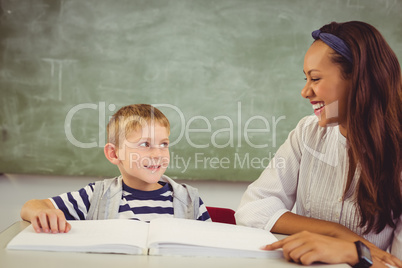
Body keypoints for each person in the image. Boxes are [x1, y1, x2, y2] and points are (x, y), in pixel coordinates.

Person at [235, 21, 401, 268]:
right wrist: (337, 233)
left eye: (315, 78)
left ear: (358, 79)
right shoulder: (306, 132)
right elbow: (253, 207)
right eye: (306, 79)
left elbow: (394, 263)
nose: (305, 92)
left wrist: (354, 254)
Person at [21, 104, 211, 233]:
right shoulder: (94, 196)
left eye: (163, 144)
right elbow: (31, 206)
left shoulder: (189, 200)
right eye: (144, 145)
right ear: (113, 154)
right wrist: (42, 212)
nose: (157, 154)